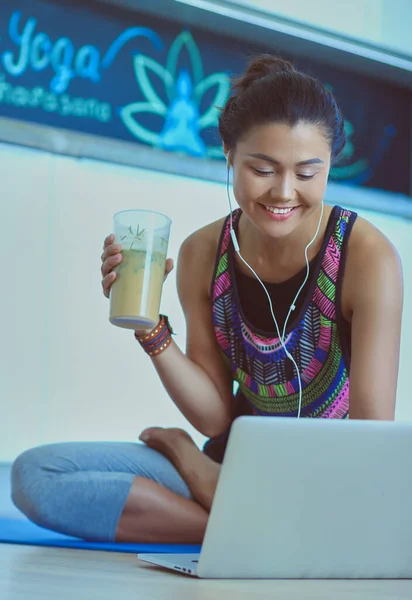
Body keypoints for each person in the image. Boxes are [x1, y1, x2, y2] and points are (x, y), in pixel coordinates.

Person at [11, 55, 403, 545]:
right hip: (233, 469)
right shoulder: (203, 253)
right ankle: (255, 533)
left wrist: (190, 460)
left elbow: (371, 445)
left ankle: (244, 518)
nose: (284, 192)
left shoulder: (367, 257)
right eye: (262, 168)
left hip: (331, 485)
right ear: (228, 155)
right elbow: (215, 415)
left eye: (307, 173)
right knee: (38, 476)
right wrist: (148, 326)